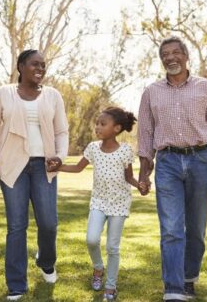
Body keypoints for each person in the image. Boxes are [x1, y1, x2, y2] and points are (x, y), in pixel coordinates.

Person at [137, 36, 207, 301]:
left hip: (200, 160)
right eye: (165, 54)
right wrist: (144, 172)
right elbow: (145, 135)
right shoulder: (151, 92)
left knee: (196, 228)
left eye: (176, 52)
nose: (170, 58)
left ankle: (189, 277)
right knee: (171, 228)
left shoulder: (206, 88)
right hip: (167, 162)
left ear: (186, 55)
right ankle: (174, 288)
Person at [0, 49, 69, 301]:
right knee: (16, 226)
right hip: (12, 165)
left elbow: (62, 131)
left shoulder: (53, 96)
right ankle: (17, 285)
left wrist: (60, 157)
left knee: (49, 223)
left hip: (45, 166)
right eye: (34, 64)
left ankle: (46, 261)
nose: (40, 68)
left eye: (43, 65)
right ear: (20, 66)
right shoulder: (3, 93)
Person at [49, 107, 147, 301]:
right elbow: (78, 168)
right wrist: (58, 166)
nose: (97, 127)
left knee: (113, 246)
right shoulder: (93, 148)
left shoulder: (125, 151)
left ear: (117, 128)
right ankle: (98, 267)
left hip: (119, 203)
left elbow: (129, 177)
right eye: (97, 123)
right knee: (91, 239)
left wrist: (140, 186)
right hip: (99, 201)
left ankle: (110, 287)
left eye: (103, 124)